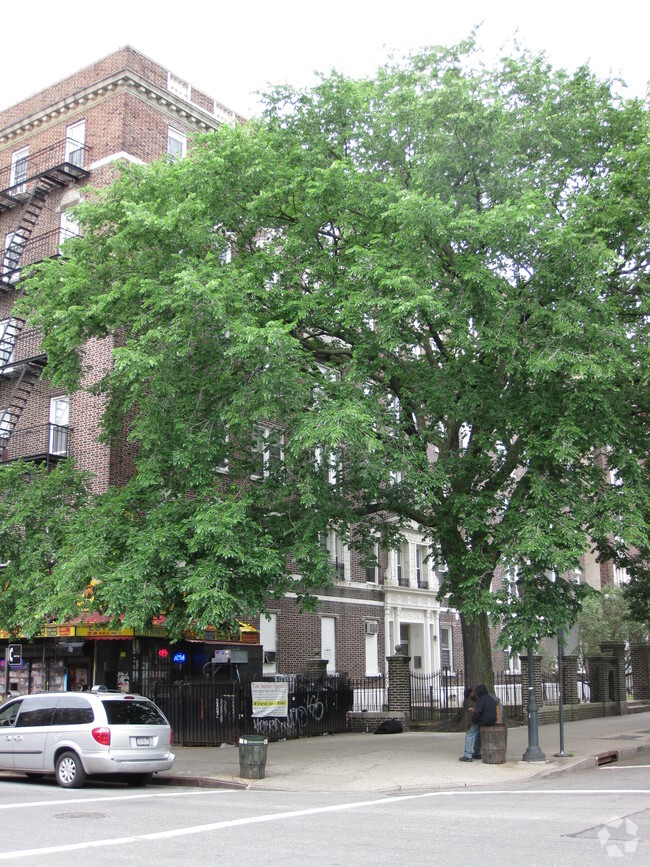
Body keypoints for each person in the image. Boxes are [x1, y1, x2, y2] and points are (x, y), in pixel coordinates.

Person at [459, 683, 497, 762]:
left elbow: (478, 712)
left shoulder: (481, 700)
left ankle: (467, 755)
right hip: (491, 721)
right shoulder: (491, 699)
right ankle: (477, 752)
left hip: (483, 721)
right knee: (478, 735)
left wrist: (474, 720)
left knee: (470, 734)